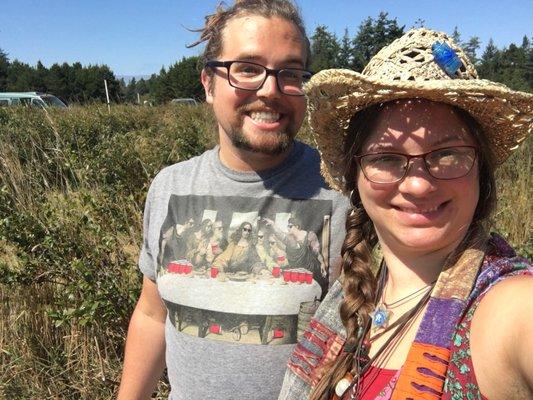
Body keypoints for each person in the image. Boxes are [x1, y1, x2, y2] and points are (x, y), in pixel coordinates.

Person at [279, 28, 533, 400]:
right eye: (386, 158)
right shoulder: (352, 300)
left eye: (448, 154)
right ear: (355, 176)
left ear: (481, 168)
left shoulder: (510, 308)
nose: (417, 185)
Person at [117, 1, 350, 399]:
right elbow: (154, 316)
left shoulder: (343, 191)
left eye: (290, 73)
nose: (270, 90)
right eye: (247, 69)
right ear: (208, 83)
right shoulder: (170, 187)